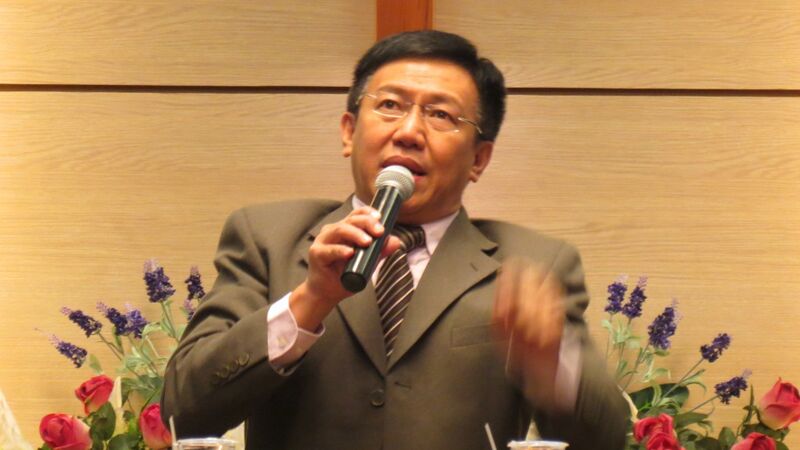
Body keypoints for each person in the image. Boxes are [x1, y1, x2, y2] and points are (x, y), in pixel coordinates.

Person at [161, 30, 629, 450]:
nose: (408, 132)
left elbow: (605, 439)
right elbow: (184, 411)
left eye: (441, 114)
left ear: (479, 159)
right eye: (389, 105)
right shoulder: (267, 239)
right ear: (349, 131)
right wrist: (309, 301)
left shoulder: (535, 264)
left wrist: (553, 366)